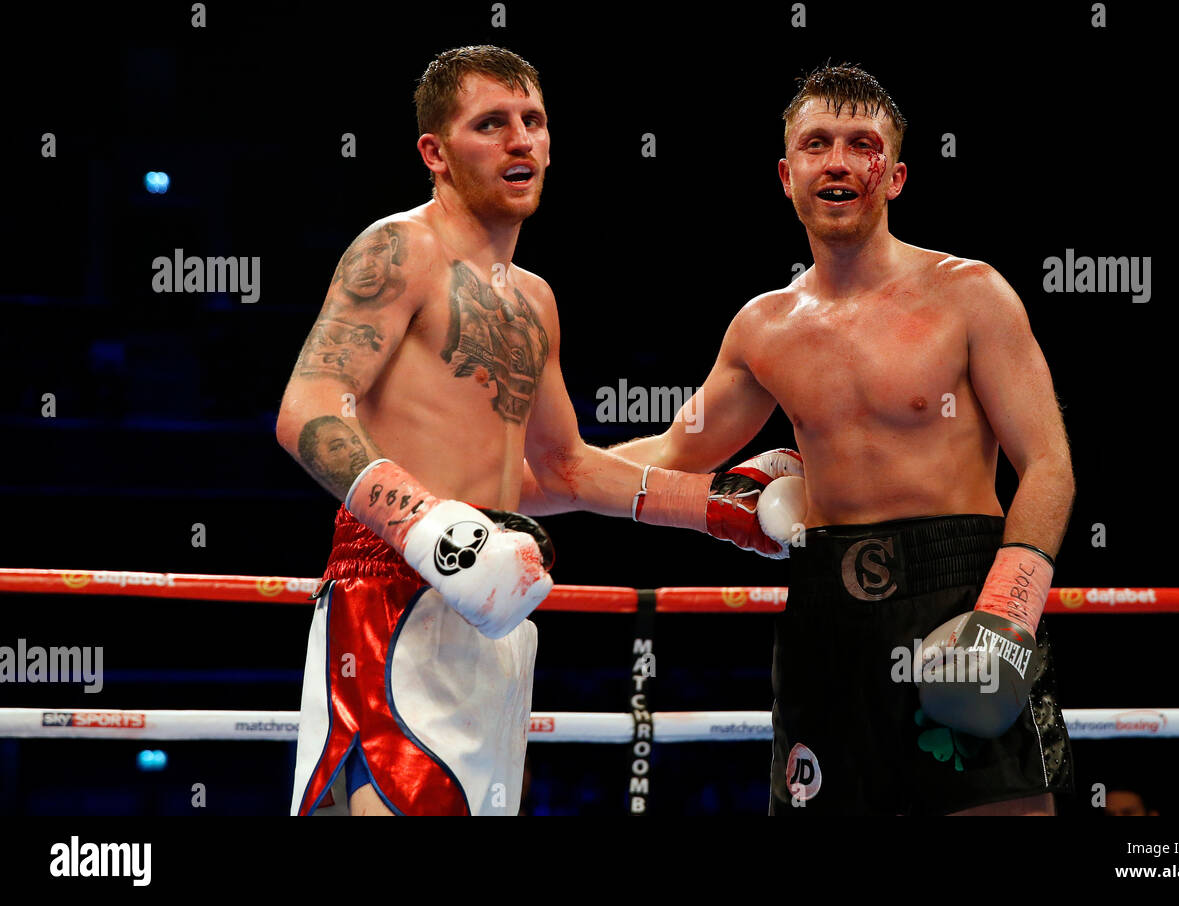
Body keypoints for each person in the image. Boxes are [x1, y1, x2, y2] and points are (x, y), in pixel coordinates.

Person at [526, 64, 1076, 815]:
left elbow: (1048, 464)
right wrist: (523, 484)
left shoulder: (971, 294)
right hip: (826, 612)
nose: (840, 161)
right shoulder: (763, 329)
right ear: (788, 176)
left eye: (862, 143)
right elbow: (672, 455)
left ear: (897, 175)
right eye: (817, 144)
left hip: (961, 590)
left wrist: (1008, 612)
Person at [276, 45, 796, 816]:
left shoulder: (536, 299)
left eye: (533, 121)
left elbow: (562, 471)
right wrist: (432, 528)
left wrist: (719, 503)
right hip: (389, 591)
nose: (521, 140)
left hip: (499, 601)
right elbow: (309, 407)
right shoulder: (399, 248)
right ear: (436, 153)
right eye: (491, 124)